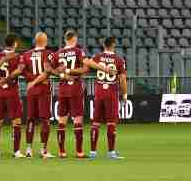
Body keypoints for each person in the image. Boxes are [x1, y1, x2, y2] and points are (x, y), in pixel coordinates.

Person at [55, 29, 113, 158]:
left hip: (62, 89)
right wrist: (104, 68)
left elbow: (53, 69)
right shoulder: (77, 51)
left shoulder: (58, 53)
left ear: (65, 39)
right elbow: (88, 63)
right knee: (78, 119)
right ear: (74, 39)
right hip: (75, 88)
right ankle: (79, 152)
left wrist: (63, 74)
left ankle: (61, 152)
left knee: (62, 121)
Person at [18, 32, 58, 158]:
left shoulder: (25, 55)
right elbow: (48, 71)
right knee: (45, 119)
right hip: (43, 89)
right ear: (45, 42)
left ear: (35, 42)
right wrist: (39, 79)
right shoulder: (49, 54)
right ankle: (43, 150)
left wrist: (32, 80)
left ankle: (29, 149)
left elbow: (21, 70)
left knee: (30, 119)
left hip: (31, 89)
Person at [89, 36, 127, 160]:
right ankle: (111, 153)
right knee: (111, 123)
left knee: (95, 123)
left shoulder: (97, 57)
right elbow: (122, 79)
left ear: (104, 45)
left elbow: (88, 63)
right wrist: (125, 94)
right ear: (113, 45)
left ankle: (93, 152)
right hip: (111, 92)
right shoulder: (119, 59)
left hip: (99, 91)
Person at [0, 34, 23, 158]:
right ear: (15, 43)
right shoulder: (17, 56)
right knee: (16, 121)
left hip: (0, 92)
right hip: (12, 90)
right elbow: (19, 70)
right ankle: (16, 151)